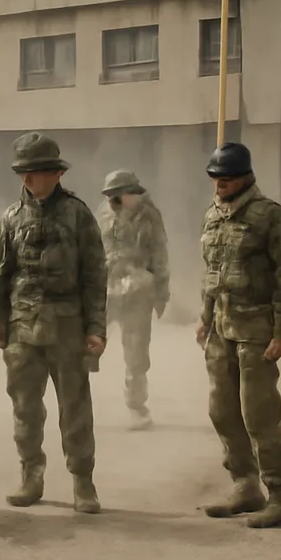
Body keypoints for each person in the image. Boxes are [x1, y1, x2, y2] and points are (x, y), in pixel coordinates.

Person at [0, 132, 107, 512]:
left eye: (34, 172)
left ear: (55, 174)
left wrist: (96, 328)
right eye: (23, 172)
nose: (27, 180)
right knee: (25, 407)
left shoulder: (78, 214)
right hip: (23, 328)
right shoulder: (11, 217)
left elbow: (94, 275)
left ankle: (83, 482)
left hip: (67, 327)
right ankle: (31, 476)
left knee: (75, 407)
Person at [196, 142, 281, 529]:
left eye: (225, 179)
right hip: (222, 328)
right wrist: (204, 317)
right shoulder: (213, 215)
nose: (219, 186)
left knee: (259, 415)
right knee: (221, 411)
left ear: (244, 177)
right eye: (215, 179)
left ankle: (279, 494)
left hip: (257, 330)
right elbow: (210, 271)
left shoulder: (273, 217)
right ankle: (245, 485)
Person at [97, 170, 169, 430]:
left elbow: (160, 255)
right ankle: (76, 405)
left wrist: (161, 293)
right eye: (110, 196)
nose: (113, 201)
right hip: (105, 290)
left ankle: (137, 407)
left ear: (132, 194)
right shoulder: (103, 215)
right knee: (85, 345)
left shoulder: (149, 217)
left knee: (136, 354)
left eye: (118, 195)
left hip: (138, 292)